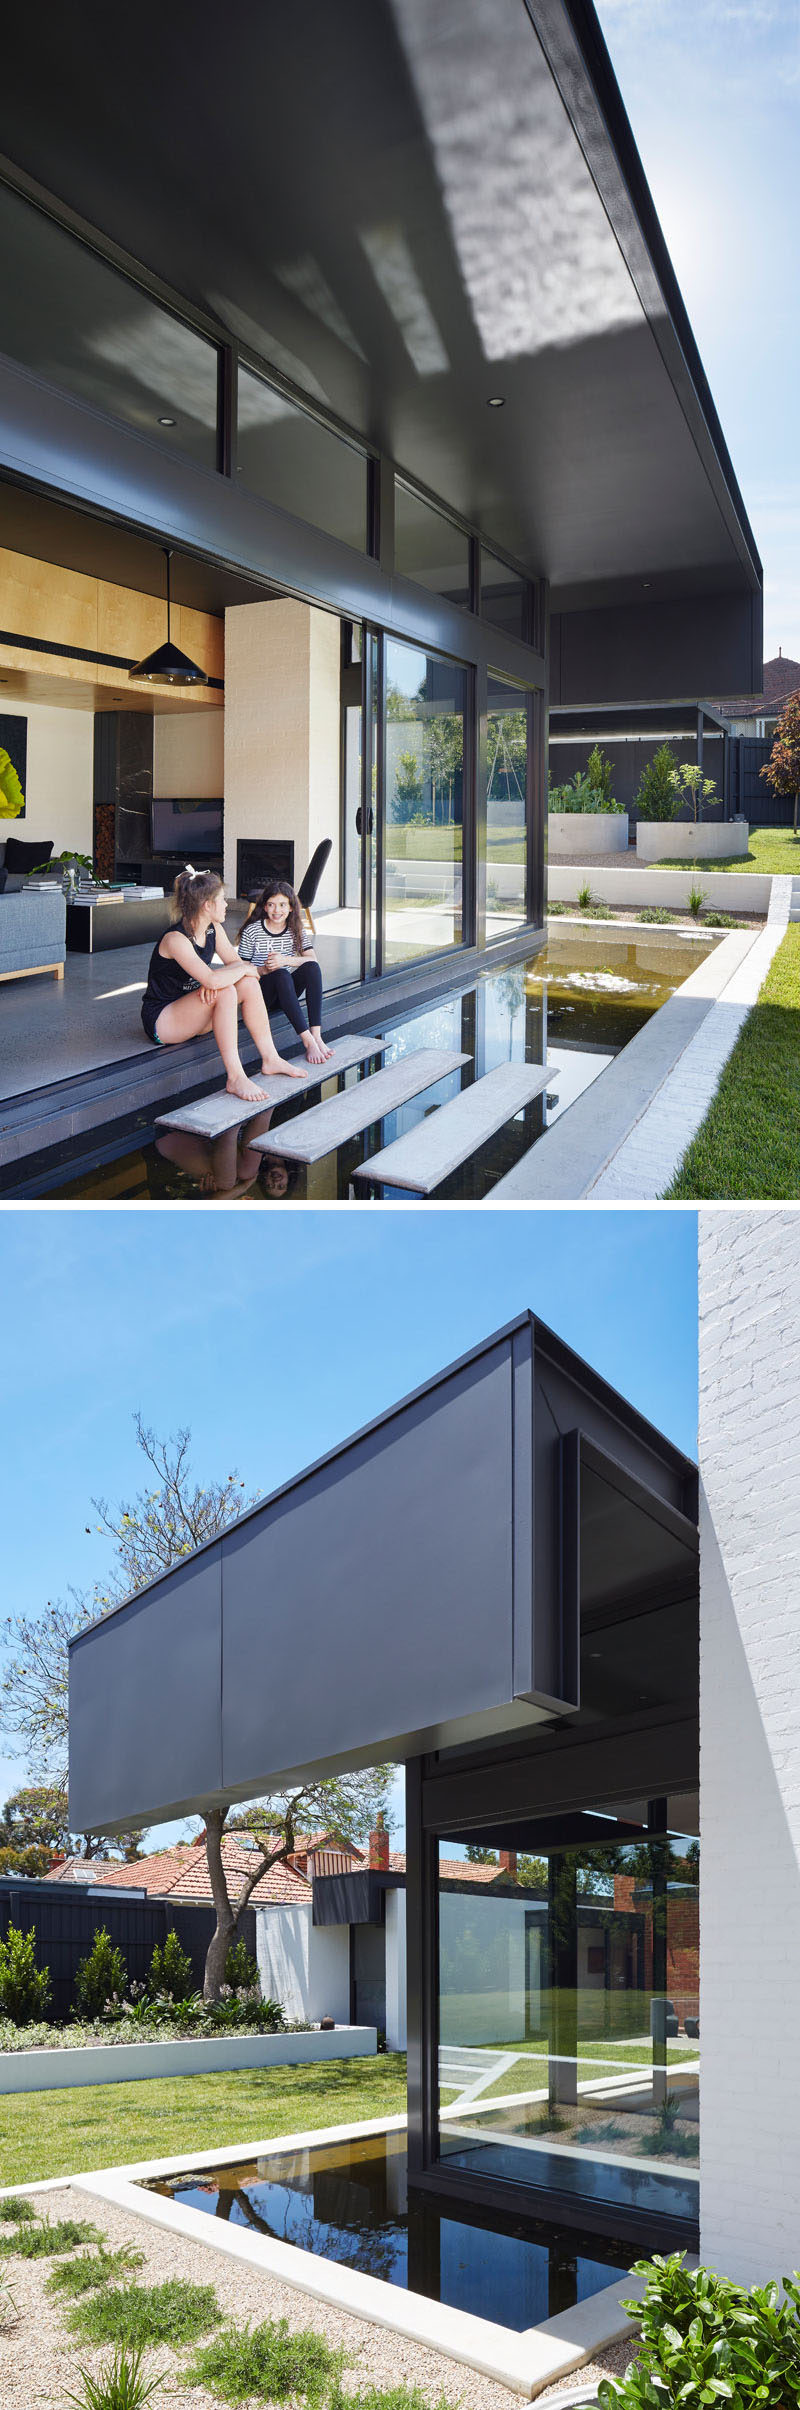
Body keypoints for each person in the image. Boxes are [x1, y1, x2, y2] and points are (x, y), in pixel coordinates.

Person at [140, 867, 305, 1105]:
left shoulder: (212, 929)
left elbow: (235, 964)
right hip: (163, 1020)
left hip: (197, 1010)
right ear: (207, 905)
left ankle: (270, 1058)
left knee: (246, 983)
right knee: (226, 989)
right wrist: (219, 978)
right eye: (222, 900)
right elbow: (221, 976)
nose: (227, 905)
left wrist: (222, 976)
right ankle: (235, 1077)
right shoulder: (176, 939)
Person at [237, 877, 332, 1067]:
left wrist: (284, 960)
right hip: (263, 995)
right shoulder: (252, 931)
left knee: (311, 968)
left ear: (290, 907)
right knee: (280, 974)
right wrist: (264, 969)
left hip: (287, 992)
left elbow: (312, 959)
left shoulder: (294, 929)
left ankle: (316, 1034)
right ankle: (307, 1041)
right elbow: (240, 971)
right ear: (264, 907)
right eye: (271, 905)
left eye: (282, 905)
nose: (276, 910)